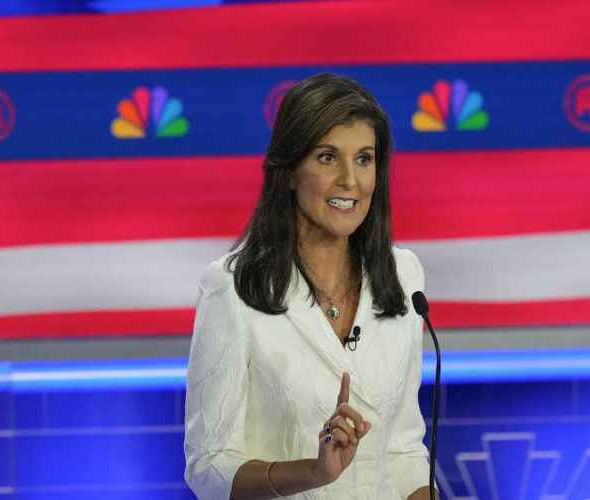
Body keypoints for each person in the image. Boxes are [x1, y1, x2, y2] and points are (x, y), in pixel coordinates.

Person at [184, 73, 437, 499]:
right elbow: (208, 466)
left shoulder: (403, 275)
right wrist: (313, 472)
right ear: (287, 172)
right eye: (326, 158)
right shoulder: (232, 287)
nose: (350, 181)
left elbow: (404, 449)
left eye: (364, 159)